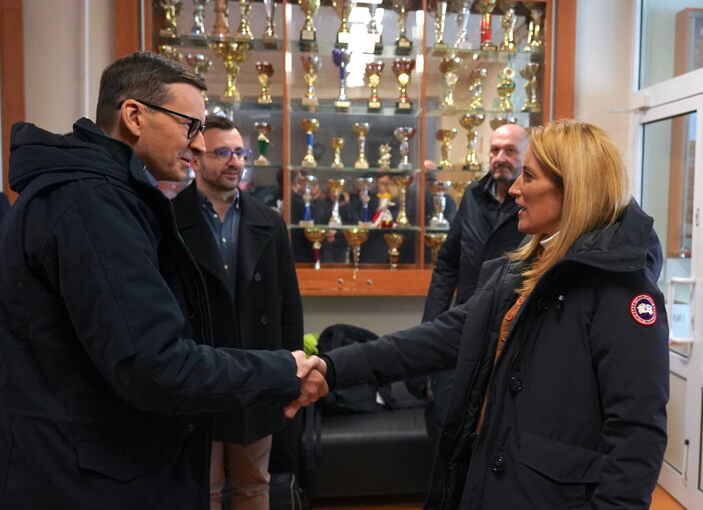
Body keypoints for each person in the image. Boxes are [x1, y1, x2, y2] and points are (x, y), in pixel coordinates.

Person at [0, 51, 326, 510]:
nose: (197, 145)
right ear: (134, 115)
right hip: (86, 478)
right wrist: (283, 370)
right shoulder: (93, 205)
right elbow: (154, 364)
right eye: (188, 126)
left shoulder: (105, 196)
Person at [294, 120, 670, 509]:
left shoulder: (624, 292)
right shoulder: (525, 268)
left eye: (529, 175)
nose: (515, 189)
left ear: (572, 189)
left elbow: (637, 437)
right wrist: (333, 367)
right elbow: (443, 336)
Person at [172, 115, 303, 510]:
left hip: (257, 371)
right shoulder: (170, 218)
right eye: (223, 153)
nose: (235, 162)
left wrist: (292, 369)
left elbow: (287, 304)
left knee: (253, 485)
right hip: (201, 374)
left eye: (240, 153)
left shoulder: (268, 221)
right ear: (197, 158)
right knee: (203, 488)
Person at [415, 123, 528, 446]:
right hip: (464, 323)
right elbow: (447, 264)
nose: (500, 158)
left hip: (511, 328)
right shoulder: (473, 197)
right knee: (443, 413)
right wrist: (432, 325)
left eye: (509, 151)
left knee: (497, 421)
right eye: (494, 150)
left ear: (525, 156)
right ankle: (447, 494)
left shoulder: (532, 202)